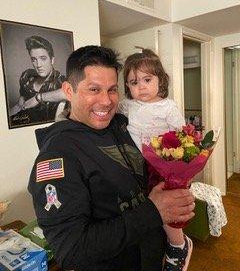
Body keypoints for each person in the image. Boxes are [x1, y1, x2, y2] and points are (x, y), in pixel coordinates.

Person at [28, 45, 195, 271]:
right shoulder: (57, 155)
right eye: (94, 89)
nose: (106, 101)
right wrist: (153, 212)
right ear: (69, 91)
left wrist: (174, 184)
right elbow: (72, 250)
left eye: (112, 89)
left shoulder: (121, 123)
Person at [118, 49, 192, 271]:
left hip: (164, 166)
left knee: (168, 207)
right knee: (149, 209)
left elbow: (183, 136)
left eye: (147, 79)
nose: (140, 86)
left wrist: (182, 168)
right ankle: (164, 245)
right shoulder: (128, 105)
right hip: (137, 166)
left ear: (160, 80)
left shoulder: (167, 106)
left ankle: (179, 245)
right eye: (133, 82)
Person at [10, 35, 66, 126]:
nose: (38, 65)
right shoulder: (27, 77)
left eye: (43, 59)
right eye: (34, 59)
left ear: (52, 60)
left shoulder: (60, 81)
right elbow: (20, 105)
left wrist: (38, 98)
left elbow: (69, 93)